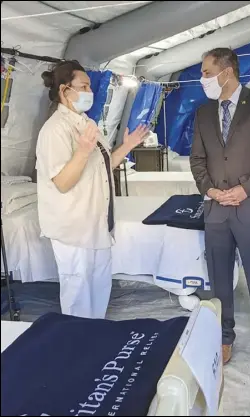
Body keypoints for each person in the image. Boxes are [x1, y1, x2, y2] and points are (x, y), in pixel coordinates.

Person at [190, 48, 250, 370]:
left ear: (227, 71)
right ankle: (223, 335)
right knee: (219, 280)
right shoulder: (204, 112)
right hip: (217, 209)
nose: (202, 79)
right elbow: (197, 158)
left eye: (207, 72)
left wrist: (245, 189)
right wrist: (210, 189)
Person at [36, 60, 148, 319]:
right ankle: (77, 346)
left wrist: (127, 145)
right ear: (65, 91)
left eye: (89, 85)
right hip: (74, 229)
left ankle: (94, 337)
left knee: (98, 288)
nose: (90, 91)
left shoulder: (85, 123)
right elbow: (63, 182)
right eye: (84, 86)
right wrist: (83, 151)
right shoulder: (54, 130)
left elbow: (104, 166)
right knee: (78, 294)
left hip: (96, 224)